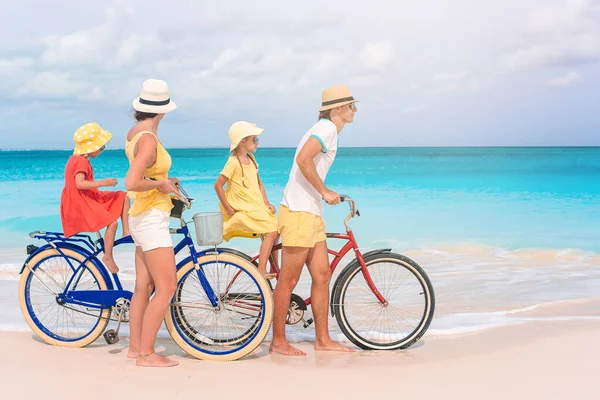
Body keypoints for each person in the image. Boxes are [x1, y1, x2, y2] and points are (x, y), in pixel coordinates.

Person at [270, 86, 359, 356]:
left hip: (310, 213)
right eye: (351, 106)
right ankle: (278, 341)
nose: (355, 110)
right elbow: (303, 159)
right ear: (337, 110)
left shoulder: (325, 128)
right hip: (299, 213)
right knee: (289, 280)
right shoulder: (326, 129)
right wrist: (324, 191)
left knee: (322, 276)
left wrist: (321, 197)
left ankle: (323, 339)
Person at [124, 79, 181, 368]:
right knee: (167, 286)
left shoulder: (135, 133)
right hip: (150, 219)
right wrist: (162, 183)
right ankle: (147, 354)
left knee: (143, 286)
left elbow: (141, 176)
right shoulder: (148, 138)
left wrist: (163, 182)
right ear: (163, 110)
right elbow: (132, 182)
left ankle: (136, 348)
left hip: (140, 216)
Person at [60, 122, 130, 274]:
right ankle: (108, 256)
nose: (102, 150)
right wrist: (104, 183)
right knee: (112, 223)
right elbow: (80, 184)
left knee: (123, 196)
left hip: (88, 197)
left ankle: (127, 232)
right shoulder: (80, 161)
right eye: (101, 146)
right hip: (81, 201)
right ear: (90, 147)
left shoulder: (78, 159)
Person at [214, 121, 279, 279]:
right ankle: (261, 270)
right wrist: (228, 208)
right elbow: (218, 185)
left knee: (276, 230)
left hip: (255, 206)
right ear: (243, 141)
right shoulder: (233, 162)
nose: (257, 143)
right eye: (254, 139)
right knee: (272, 230)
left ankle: (274, 266)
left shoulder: (251, 159)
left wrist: (267, 203)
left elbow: (259, 184)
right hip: (244, 208)